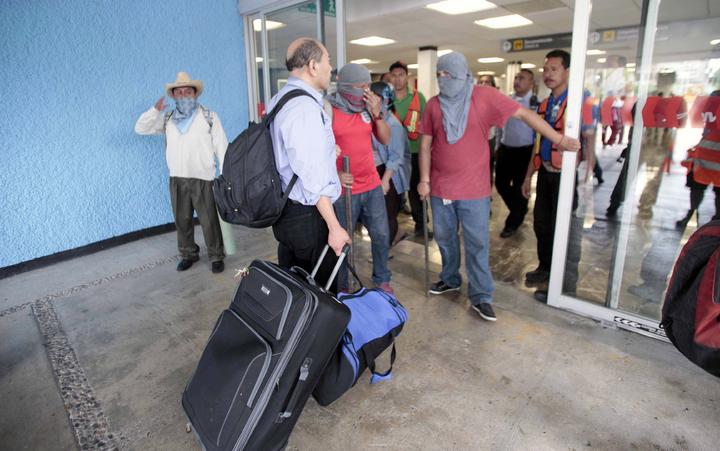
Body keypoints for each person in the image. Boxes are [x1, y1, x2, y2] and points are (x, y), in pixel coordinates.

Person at [418, 52, 579, 321]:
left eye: (449, 74)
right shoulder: (434, 105)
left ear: (462, 73)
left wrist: (558, 139)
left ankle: (481, 295)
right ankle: (450, 278)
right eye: (439, 74)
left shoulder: (483, 95)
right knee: (445, 240)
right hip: (440, 189)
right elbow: (425, 145)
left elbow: (525, 114)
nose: (443, 79)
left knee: (477, 245)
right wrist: (424, 180)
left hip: (474, 191)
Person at [267, 38, 351, 290]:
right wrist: (334, 227)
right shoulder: (304, 107)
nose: (331, 69)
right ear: (313, 66)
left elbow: (292, 155)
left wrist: (326, 151)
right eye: (328, 62)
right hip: (309, 215)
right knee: (321, 296)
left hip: (287, 211)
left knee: (296, 288)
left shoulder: (280, 99)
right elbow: (312, 177)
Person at [135, 72, 228, 273]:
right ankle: (188, 254)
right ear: (174, 96)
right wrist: (153, 110)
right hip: (177, 178)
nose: (184, 94)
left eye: (188, 91)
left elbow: (222, 145)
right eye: (179, 92)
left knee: (209, 221)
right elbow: (140, 128)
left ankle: (216, 255)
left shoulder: (208, 116)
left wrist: (225, 172)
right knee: (182, 220)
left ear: (195, 94)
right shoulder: (167, 118)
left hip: (204, 178)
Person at [521, 49, 585, 299]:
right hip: (546, 173)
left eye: (554, 69)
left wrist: (588, 171)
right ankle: (546, 269)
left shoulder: (579, 102)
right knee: (542, 224)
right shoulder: (545, 105)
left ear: (567, 71)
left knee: (564, 230)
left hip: (566, 177)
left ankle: (563, 287)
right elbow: (537, 143)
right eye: (545, 69)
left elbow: (588, 139)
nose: (548, 74)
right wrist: (528, 176)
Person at [328, 63, 394, 293]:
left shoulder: (368, 107)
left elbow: (386, 139)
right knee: (344, 240)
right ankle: (344, 286)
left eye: (368, 85)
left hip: (372, 183)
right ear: (346, 87)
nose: (367, 91)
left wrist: (377, 115)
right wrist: (334, 173)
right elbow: (315, 150)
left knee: (381, 234)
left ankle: (382, 278)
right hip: (344, 190)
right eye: (361, 86)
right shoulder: (329, 109)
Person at [389, 60, 430, 238]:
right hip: (393, 154)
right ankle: (393, 228)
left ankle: (421, 225)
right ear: (390, 77)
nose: (398, 79)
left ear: (407, 76)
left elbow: (428, 122)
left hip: (414, 151)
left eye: (401, 75)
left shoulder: (417, 97)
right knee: (393, 191)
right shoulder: (386, 98)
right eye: (394, 75)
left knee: (416, 189)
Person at [496, 68, 538, 238]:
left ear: (531, 83)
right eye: (516, 78)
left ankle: (513, 222)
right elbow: (501, 124)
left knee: (521, 186)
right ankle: (519, 208)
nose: (517, 81)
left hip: (525, 151)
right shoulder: (507, 100)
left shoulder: (535, 103)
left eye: (522, 78)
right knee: (500, 184)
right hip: (506, 149)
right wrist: (498, 144)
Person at [370, 81, 411, 248]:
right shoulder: (369, 118)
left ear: (385, 100)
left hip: (390, 174)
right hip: (376, 170)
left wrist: (385, 181)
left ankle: (384, 251)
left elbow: (396, 157)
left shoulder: (393, 124)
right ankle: (397, 235)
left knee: (388, 214)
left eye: (374, 98)